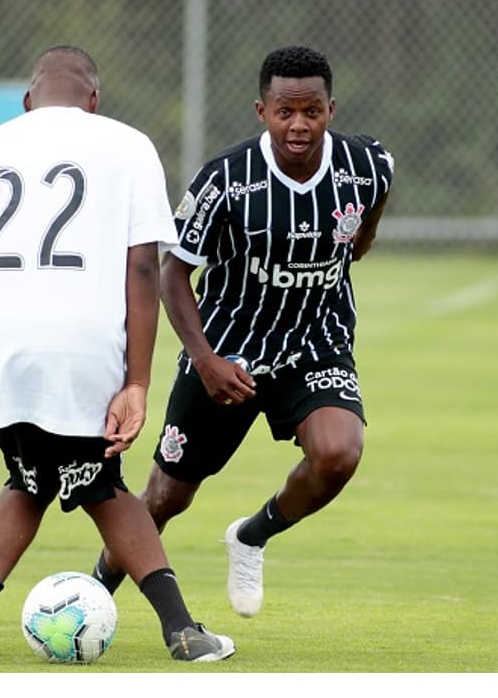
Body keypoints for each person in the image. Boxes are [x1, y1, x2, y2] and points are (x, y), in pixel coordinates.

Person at [0, 45, 235, 662]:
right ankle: (181, 630)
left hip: (0, 348)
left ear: (27, 100)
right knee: (101, 486)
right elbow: (145, 268)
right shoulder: (128, 145)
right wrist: (138, 382)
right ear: (94, 101)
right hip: (83, 345)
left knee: (30, 479)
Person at [91, 45, 394, 619]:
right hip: (225, 353)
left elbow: (373, 201)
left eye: (312, 110)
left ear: (332, 108)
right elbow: (172, 271)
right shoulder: (226, 179)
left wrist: (365, 236)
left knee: (338, 453)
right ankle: (91, 596)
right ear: (262, 111)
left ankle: (252, 535)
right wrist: (204, 359)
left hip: (315, 345)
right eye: (285, 112)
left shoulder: (368, 164)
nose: (298, 124)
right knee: (164, 498)